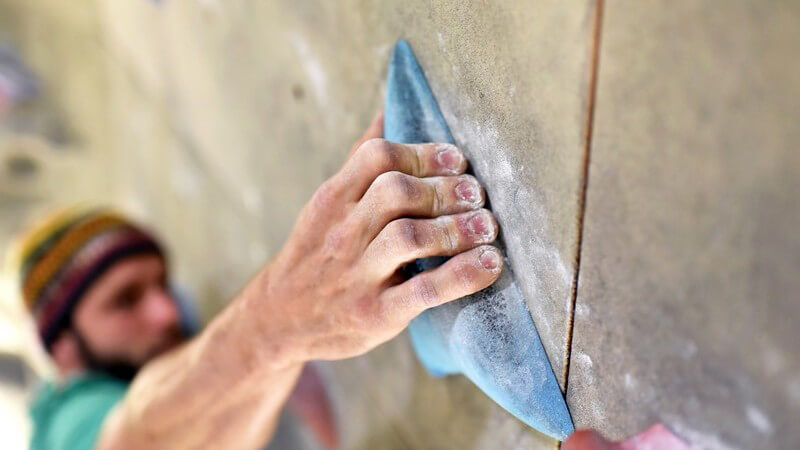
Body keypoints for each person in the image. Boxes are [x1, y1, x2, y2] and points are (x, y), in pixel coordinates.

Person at [10, 113, 509, 449]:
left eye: (161, 284)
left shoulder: (189, 372)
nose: (165, 312)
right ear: (64, 349)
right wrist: (279, 322)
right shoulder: (65, 422)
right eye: (124, 301)